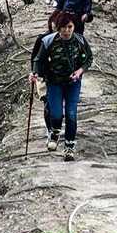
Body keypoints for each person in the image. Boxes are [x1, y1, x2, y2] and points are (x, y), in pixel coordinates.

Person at [30, 10, 92, 161]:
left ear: (74, 26)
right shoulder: (48, 41)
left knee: (71, 114)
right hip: (54, 82)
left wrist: (79, 71)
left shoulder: (80, 40)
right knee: (56, 113)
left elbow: (88, 59)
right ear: (58, 28)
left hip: (73, 83)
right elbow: (38, 60)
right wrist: (35, 73)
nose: (67, 31)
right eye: (63, 27)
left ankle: (69, 147)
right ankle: (55, 132)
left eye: (70, 27)